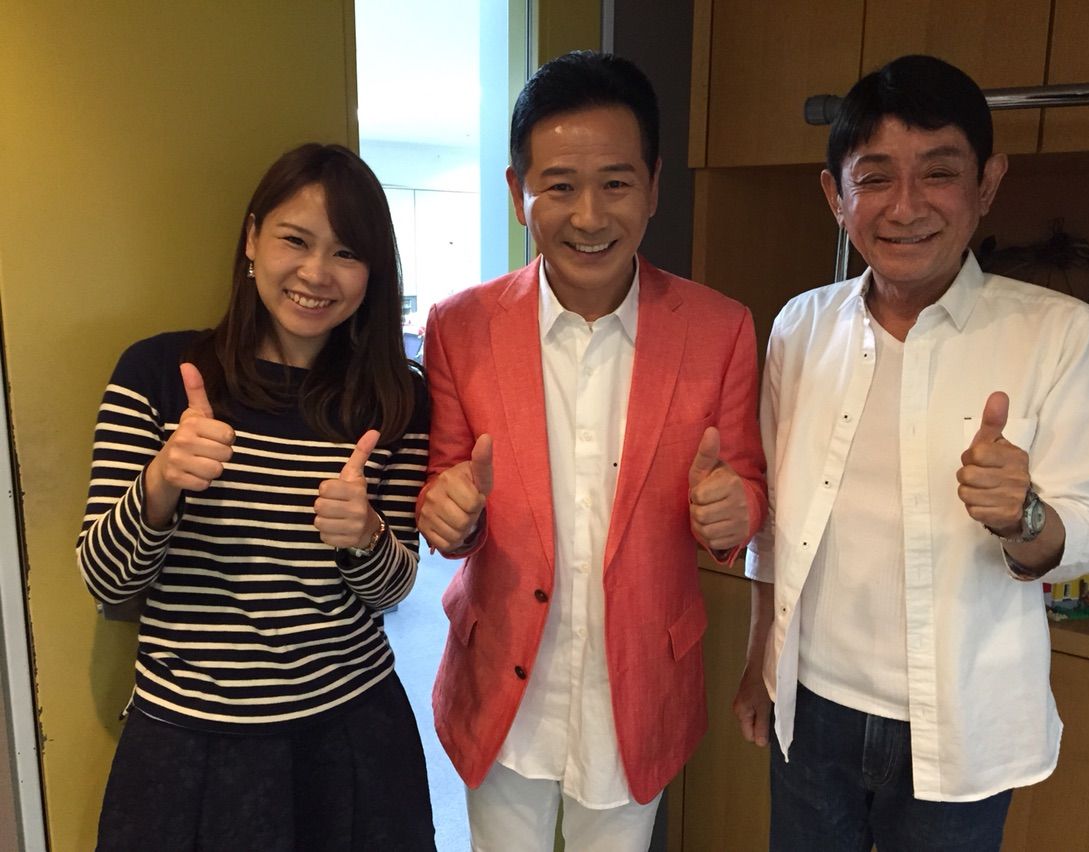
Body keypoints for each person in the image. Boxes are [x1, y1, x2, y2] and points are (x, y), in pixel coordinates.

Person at [732, 54, 1089, 851]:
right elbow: (774, 526)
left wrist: (1022, 514)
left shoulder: (1057, 332)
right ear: (835, 196)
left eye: (939, 172)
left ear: (987, 183)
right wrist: (759, 662)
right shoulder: (800, 327)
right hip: (813, 709)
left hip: (961, 719)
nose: (906, 206)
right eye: (874, 178)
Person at [416, 51, 767, 851]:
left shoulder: (719, 329)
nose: (588, 216)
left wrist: (734, 511)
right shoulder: (459, 327)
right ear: (518, 192)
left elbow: (744, 488)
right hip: (502, 680)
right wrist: (448, 514)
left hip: (638, 684)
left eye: (614, 183)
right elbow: (445, 485)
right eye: (559, 187)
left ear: (653, 185)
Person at [77, 143, 436, 850]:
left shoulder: (397, 396)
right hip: (190, 741)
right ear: (251, 239)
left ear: (372, 272)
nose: (316, 273)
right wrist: (160, 482)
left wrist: (365, 534)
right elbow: (105, 581)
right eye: (294, 240)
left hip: (353, 732)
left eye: (346, 253)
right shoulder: (158, 373)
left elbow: (394, 589)